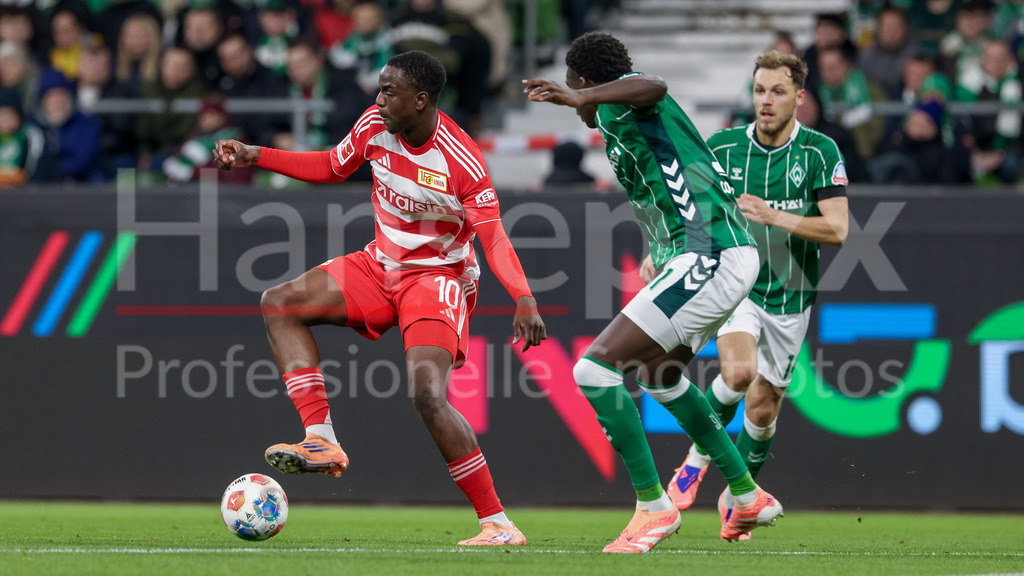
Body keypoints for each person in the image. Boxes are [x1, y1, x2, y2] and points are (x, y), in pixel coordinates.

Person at [213, 50, 546, 547]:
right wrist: (255, 154)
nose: (379, 99)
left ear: (421, 100)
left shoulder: (462, 160)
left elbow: (493, 237)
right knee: (279, 302)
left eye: (390, 91)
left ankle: (497, 523)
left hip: (437, 277)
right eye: (380, 89)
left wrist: (524, 297)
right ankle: (321, 439)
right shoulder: (375, 125)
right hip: (380, 265)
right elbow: (332, 165)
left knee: (427, 395)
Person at [523, 32, 783, 552]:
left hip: (711, 253)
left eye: (577, 87)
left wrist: (582, 96)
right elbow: (667, 188)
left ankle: (654, 508)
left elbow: (652, 85)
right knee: (659, 375)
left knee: (593, 369)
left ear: (585, 81)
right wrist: (660, 251)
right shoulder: (616, 118)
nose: (577, 104)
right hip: (708, 253)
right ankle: (746, 493)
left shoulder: (630, 97)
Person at [655, 51, 849, 533]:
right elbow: (683, 204)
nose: (766, 100)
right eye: (760, 90)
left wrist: (774, 215)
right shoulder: (722, 147)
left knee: (763, 411)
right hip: (735, 283)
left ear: (799, 97)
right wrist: (662, 248)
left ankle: (735, 500)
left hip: (792, 295)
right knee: (739, 372)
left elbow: (838, 229)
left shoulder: (820, 152)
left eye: (778, 91)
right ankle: (695, 463)